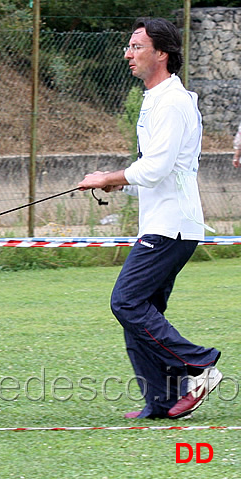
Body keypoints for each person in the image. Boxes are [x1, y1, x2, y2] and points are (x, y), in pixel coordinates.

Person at [77, 17, 221, 419]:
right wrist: (119, 184)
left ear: (162, 53)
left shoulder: (173, 102)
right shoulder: (158, 99)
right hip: (165, 221)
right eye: (129, 46)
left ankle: (199, 363)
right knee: (143, 313)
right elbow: (160, 172)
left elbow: (156, 168)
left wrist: (110, 175)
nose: (128, 53)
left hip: (171, 226)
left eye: (137, 46)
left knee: (126, 302)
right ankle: (160, 401)